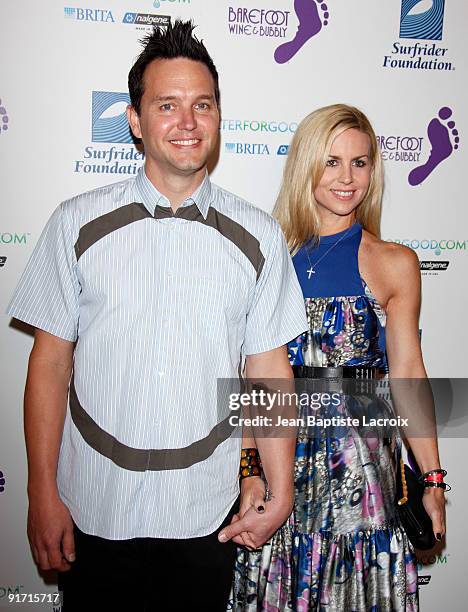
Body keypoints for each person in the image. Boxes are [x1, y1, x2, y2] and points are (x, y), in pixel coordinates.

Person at [7, 21, 308, 611]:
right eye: (167, 105)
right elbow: (48, 367)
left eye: (203, 105)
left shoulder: (259, 236)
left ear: (220, 116)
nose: (188, 122)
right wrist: (41, 491)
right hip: (94, 507)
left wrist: (281, 486)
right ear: (136, 121)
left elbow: (268, 370)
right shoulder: (75, 224)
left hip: (206, 513)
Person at [230, 104, 448, 610]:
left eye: (361, 162)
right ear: (306, 164)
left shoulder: (394, 264)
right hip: (283, 463)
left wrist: (433, 478)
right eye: (331, 162)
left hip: (363, 475)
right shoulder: (268, 257)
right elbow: (256, 379)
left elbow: (408, 375)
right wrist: (250, 468)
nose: (347, 178)